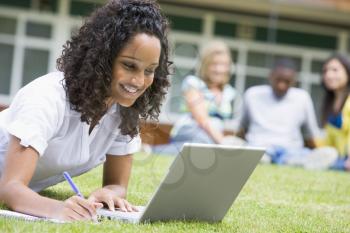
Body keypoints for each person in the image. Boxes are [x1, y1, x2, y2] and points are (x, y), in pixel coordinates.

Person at [0, 0, 171, 221]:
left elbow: (118, 185)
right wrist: (57, 210)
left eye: (150, 70)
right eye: (129, 65)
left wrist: (109, 192)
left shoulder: (123, 110)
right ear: (102, 57)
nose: (139, 81)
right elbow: (11, 188)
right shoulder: (46, 98)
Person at [151, 40, 239, 155]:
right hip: (190, 130)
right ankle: (153, 150)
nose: (219, 69)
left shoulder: (229, 91)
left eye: (223, 65)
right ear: (205, 65)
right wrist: (222, 141)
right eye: (214, 64)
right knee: (204, 144)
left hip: (213, 137)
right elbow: (202, 119)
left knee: (211, 146)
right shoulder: (193, 83)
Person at [238, 58, 327, 166]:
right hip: (258, 147)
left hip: (291, 151)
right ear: (270, 76)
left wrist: (319, 150)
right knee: (233, 144)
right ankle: (261, 159)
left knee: (306, 156)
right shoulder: (252, 94)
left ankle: (296, 161)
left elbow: (312, 133)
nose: (281, 85)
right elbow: (239, 127)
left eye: (287, 82)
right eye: (278, 80)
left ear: (294, 81)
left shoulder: (302, 98)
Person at [318, 54, 350, 171]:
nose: (329, 75)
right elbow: (329, 141)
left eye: (335, 70)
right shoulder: (329, 103)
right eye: (325, 71)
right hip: (338, 159)